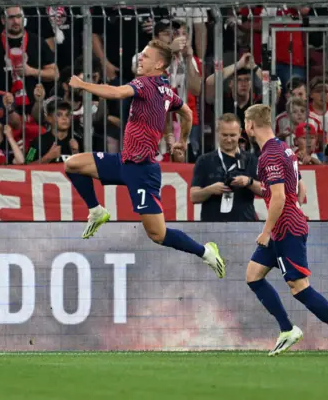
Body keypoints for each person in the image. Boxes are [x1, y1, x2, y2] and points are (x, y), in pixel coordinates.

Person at [64, 39, 225, 278]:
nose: (140, 58)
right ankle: (96, 210)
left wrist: (83, 84)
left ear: (159, 64)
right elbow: (187, 113)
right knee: (72, 164)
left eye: (146, 56)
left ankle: (206, 252)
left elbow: (117, 92)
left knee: (158, 235)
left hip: (142, 171)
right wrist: (183, 140)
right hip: (124, 161)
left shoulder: (146, 84)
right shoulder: (166, 90)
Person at [243, 104, 328, 357]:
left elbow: (279, 198)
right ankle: (287, 330)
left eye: (245, 122)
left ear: (250, 125)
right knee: (253, 275)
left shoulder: (269, 155)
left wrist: (266, 231)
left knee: (298, 287)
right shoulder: (284, 148)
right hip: (284, 226)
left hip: (286, 228)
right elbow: (298, 186)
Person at [190, 113, 260, 222]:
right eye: (224, 135)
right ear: (217, 132)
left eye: (232, 135)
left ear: (240, 132)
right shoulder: (204, 161)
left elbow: (266, 191)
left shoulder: (251, 160)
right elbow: (193, 197)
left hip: (244, 226)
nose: (228, 139)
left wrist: (249, 182)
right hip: (211, 226)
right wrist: (210, 190)